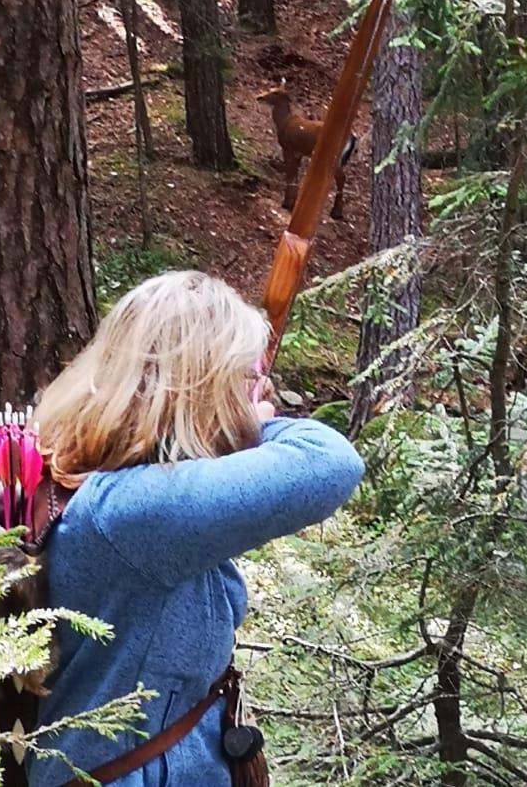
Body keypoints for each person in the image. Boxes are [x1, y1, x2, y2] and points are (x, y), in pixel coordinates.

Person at [27, 271, 364, 787]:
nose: (259, 389)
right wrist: (250, 423)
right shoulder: (138, 510)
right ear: (203, 393)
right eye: (248, 377)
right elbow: (331, 462)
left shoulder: (98, 484)